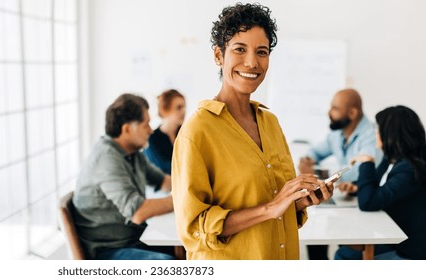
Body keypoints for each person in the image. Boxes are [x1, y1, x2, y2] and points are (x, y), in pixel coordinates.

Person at [171, 3, 333, 260]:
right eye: (239, 49)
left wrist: (301, 201)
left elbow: (279, 206)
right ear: (218, 55)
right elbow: (193, 230)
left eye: (262, 52)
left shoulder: (270, 122)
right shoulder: (197, 131)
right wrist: (270, 208)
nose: (252, 62)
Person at [72, 93, 175, 260]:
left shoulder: (132, 152)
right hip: (107, 250)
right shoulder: (106, 158)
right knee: (167, 264)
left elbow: (163, 181)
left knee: (193, 248)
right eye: (146, 124)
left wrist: (197, 189)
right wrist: (182, 199)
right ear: (127, 129)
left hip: (132, 239)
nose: (150, 130)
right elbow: (138, 212)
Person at [298, 89, 383, 259]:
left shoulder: (370, 135)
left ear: (352, 113)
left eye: (335, 108)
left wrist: (316, 172)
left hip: (364, 204)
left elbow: (360, 170)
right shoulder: (337, 133)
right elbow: (315, 151)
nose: (329, 113)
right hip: (345, 201)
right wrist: (307, 159)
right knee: (316, 230)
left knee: (345, 249)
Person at [334, 106, 426, 260]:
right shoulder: (396, 160)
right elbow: (376, 186)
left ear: (389, 135)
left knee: (344, 256)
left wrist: (367, 162)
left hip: (411, 252)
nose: (376, 134)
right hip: (400, 239)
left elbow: (368, 202)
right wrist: (356, 188)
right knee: (346, 249)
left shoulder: (409, 169)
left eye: (378, 130)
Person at [143, 89, 186, 175]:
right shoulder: (151, 139)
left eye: (184, 106)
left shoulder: (186, 133)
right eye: (179, 107)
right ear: (164, 110)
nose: (184, 111)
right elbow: (163, 169)